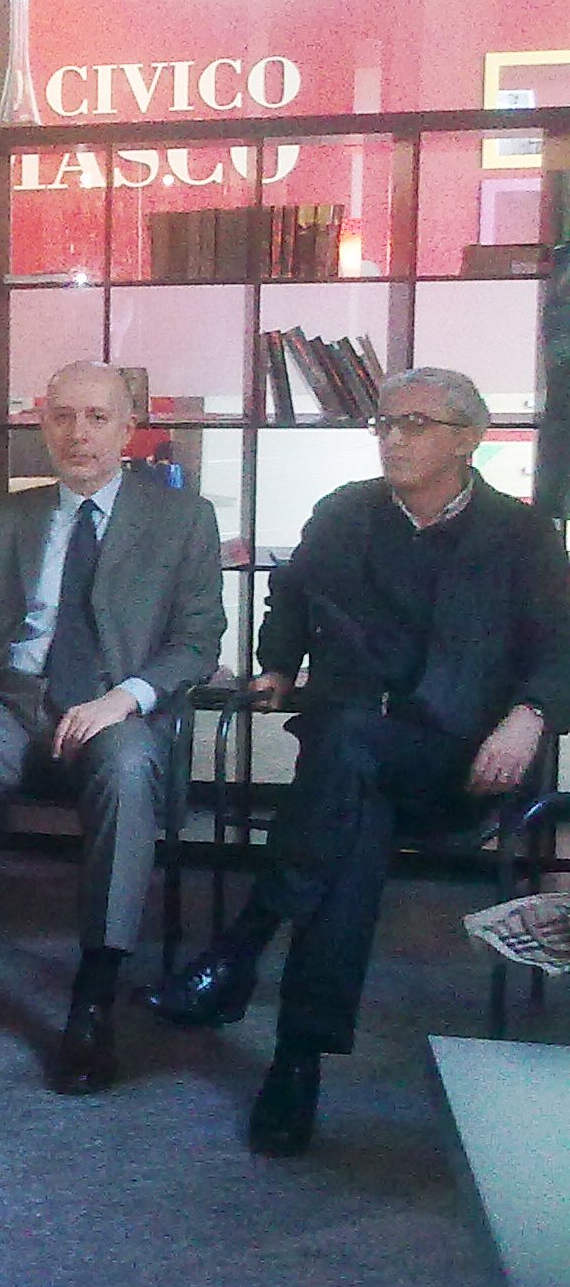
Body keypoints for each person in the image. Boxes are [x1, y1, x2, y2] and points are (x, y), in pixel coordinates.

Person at [147, 366, 570, 1155]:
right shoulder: (345, 514)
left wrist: (530, 715)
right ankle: (296, 1057)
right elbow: (290, 597)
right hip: (349, 774)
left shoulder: (522, 535)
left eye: (416, 423)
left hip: (459, 761)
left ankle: (245, 946)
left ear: (469, 440)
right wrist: (277, 664)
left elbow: (561, 646)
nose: (394, 438)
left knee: (345, 751)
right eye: (385, 422)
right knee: (352, 820)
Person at [0, 360, 225, 1093]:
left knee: (128, 770)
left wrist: (126, 697)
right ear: (42, 425)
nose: (79, 434)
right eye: (63, 417)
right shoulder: (5, 517)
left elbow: (199, 640)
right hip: (13, 704)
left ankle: (93, 999)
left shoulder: (183, 519)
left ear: (129, 430)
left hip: (111, 709)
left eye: (98, 418)